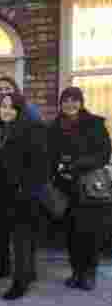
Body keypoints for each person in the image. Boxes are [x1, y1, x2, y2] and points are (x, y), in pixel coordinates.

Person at [48, 87, 112, 291]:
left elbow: (103, 154)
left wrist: (78, 164)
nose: (70, 104)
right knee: (71, 232)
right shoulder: (54, 126)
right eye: (66, 100)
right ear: (61, 103)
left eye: (74, 100)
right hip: (65, 187)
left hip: (89, 186)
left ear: (81, 102)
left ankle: (89, 272)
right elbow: (49, 154)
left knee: (90, 233)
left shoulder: (95, 124)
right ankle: (76, 271)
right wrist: (57, 168)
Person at [0, 92, 48, 300]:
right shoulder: (1, 131)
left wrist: (26, 189)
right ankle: (27, 274)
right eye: (3, 106)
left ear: (20, 109)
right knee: (17, 239)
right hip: (6, 193)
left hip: (25, 194)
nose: (5, 110)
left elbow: (40, 165)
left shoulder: (32, 130)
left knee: (22, 240)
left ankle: (20, 283)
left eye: (10, 107)